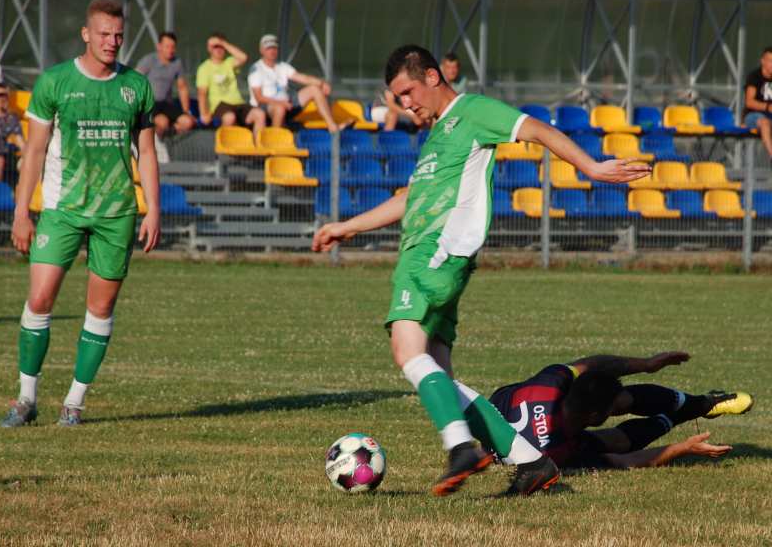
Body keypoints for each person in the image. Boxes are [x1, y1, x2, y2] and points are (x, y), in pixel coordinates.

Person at [311, 45, 651, 497]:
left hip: (432, 253)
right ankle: (532, 463)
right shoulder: (437, 136)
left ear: (432, 77)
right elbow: (410, 199)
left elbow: (535, 129)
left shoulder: (471, 110)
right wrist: (347, 227)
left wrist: (591, 167)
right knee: (440, 377)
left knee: (405, 350)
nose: (405, 103)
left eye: (408, 91)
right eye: (397, 96)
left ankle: (461, 448)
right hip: (443, 260)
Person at [1, 0, 160, 428]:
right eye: (104, 34)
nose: (112, 42)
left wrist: (153, 210)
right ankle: (25, 399)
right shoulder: (55, 82)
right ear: (86, 34)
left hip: (116, 213)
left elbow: (145, 152)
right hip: (62, 209)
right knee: (39, 299)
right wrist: (22, 212)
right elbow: (33, 151)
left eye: (119, 36)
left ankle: (74, 402)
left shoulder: (136, 87)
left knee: (100, 310)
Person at [459, 351, 752, 469]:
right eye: (611, 410)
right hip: (534, 440)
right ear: (595, 418)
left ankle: (703, 405)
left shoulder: (551, 382)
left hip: (506, 407)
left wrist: (647, 364)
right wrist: (682, 448)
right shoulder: (557, 451)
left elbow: (593, 365)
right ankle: (690, 410)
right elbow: (625, 460)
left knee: (618, 398)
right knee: (617, 441)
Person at [248, 34, 348, 132]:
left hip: (287, 104)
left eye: (274, 48)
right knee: (279, 108)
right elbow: (259, 98)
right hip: (266, 107)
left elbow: (303, 78)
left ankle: (332, 126)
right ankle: (275, 139)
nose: (272, 51)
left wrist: (321, 83)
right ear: (261, 50)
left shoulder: (282, 66)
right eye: (268, 48)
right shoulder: (257, 69)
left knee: (314, 89)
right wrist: (281, 103)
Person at [195, 32, 265, 138]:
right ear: (209, 49)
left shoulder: (229, 62)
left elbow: (243, 57)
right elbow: (202, 93)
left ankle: (258, 149)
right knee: (229, 117)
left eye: (221, 47)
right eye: (215, 47)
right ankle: (225, 145)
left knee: (260, 114)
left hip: (238, 104)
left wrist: (223, 43)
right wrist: (204, 113)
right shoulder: (204, 68)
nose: (218, 49)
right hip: (220, 106)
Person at [135, 31, 196, 138]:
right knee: (163, 123)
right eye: (167, 46)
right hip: (150, 104)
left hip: (167, 104)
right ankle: (157, 146)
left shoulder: (177, 63)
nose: (170, 50)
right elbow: (134, 80)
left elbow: (182, 88)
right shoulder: (149, 60)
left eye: (173, 47)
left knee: (188, 122)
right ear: (159, 46)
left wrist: (186, 111)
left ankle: (168, 133)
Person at [743, 46, 772, 160]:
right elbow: (749, 102)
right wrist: (767, 107)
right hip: (753, 116)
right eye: (770, 61)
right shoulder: (754, 77)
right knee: (764, 122)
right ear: (763, 61)